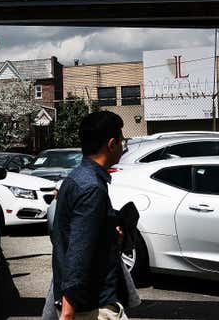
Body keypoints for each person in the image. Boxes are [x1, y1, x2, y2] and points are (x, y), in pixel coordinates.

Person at [50, 111, 128, 320]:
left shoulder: (76, 178)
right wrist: (68, 312)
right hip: (92, 308)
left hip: (85, 303)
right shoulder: (92, 188)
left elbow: (65, 235)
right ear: (112, 144)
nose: (123, 146)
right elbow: (79, 251)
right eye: (122, 141)